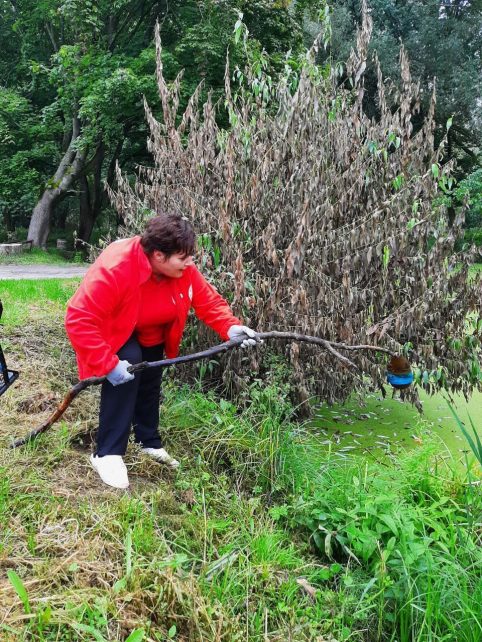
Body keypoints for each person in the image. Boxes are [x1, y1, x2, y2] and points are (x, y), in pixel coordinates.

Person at [65, 214, 258, 489]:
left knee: (151, 372)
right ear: (158, 255)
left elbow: (207, 301)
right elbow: (78, 318)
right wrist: (107, 364)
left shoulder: (182, 269)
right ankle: (107, 453)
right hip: (115, 327)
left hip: (149, 327)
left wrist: (230, 328)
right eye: (183, 258)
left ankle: (148, 441)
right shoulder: (116, 267)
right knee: (129, 365)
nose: (190, 264)